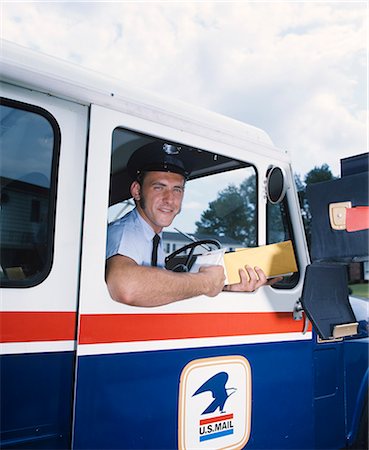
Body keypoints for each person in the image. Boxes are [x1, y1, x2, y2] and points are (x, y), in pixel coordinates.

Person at [106, 141, 281, 307]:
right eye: (159, 187)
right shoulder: (125, 232)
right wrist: (204, 282)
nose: (169, 199)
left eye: (177, 189)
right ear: (137, 191)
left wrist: (223, 287)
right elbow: (125, 287)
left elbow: (155, 291)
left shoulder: (151, 234)